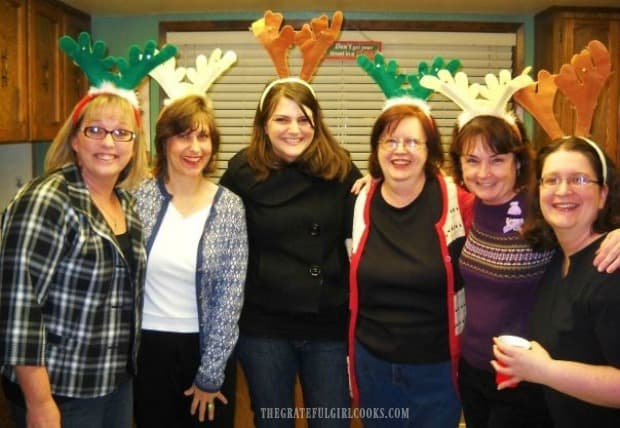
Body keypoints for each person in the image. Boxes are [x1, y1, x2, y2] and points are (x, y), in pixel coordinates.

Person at [449, 115, 620, 428]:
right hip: (475, 371)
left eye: (497, 159)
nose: (484, 172)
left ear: (518, 163)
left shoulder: (545, 211)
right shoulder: (466, 206)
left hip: (527, 379)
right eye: (472, 160)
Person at [0, 91, 149, 428]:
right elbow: (18, 307)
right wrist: (39, 403)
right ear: (75, 140)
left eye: (121, 132)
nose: (108, 142)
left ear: (134, 145)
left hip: (113, 381)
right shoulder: (47, 200)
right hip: (59, 388)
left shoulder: (126, 204)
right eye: (95, 130)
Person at [219, 78, 361, 427]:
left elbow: (364, 233)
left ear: (317, 123)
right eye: (282, 119)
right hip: (264, 323)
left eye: (304, 120)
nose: (294, 129)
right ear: (264, 124)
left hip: (327, 321)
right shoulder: (241, 173)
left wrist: (380, 183)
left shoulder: (341, 169)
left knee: (332, 420)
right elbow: (218, 240)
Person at [348, 102, 473, 427]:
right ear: (376, 149)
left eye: (412, 142)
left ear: (429, 149)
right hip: (372, 365)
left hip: (437, 369)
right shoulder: (360, 200)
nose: (400, 151)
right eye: (390, 141)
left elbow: (520, 211)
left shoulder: (458, 200)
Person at [132, 94, 247, 427]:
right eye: (183, 135)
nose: (194, 147)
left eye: (203, 136)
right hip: (147, 351)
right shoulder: (139, 198)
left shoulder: (229, 207)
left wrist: (210, 375)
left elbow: (230, 297)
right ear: (165, 141)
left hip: (206, 349)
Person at [493, 136, 620, 427]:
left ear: (603, 194)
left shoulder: (612, 269)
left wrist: (545, 371)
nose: (563, 191)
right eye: (551, 180)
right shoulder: (556, 258)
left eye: (579, 179)